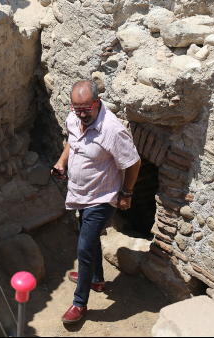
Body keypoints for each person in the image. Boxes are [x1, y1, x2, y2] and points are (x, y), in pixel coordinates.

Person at [52, 80, 141, 324]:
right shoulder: (75, 117)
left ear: (97, 102)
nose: (81, 114)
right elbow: (72, 139)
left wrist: (127, 193)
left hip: (103, 197)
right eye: (77, 108)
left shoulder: (111, 129)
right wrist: (62, 162)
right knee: (87, 237)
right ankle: (96, 279)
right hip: (82, 193)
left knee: (84, 245)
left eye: (86, 109)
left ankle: (79, 303)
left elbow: (133, 162)